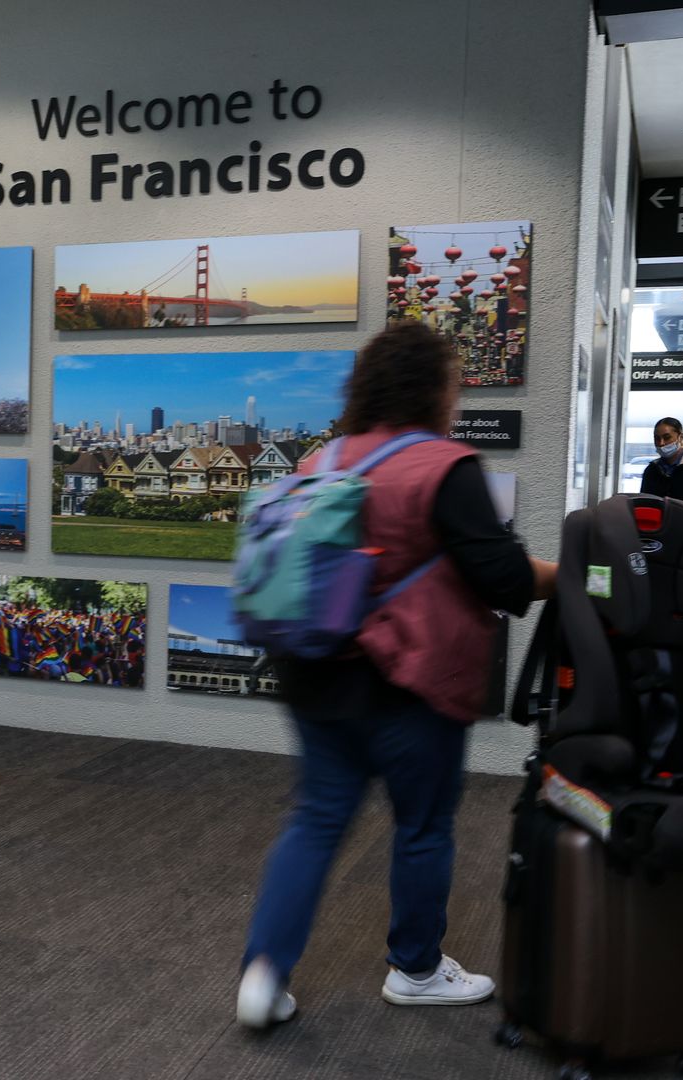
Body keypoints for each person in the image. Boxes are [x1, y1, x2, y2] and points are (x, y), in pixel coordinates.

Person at [236, 322, 558, 1029]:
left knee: (317, 819)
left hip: (314, 671)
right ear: (434, 389)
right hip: (409, 681)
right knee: (421, 826)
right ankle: (415, 969)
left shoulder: (322, 460)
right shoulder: (445, 465)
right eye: (453, 382)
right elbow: (502, 577)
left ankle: (263, 973)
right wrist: (569, 578)